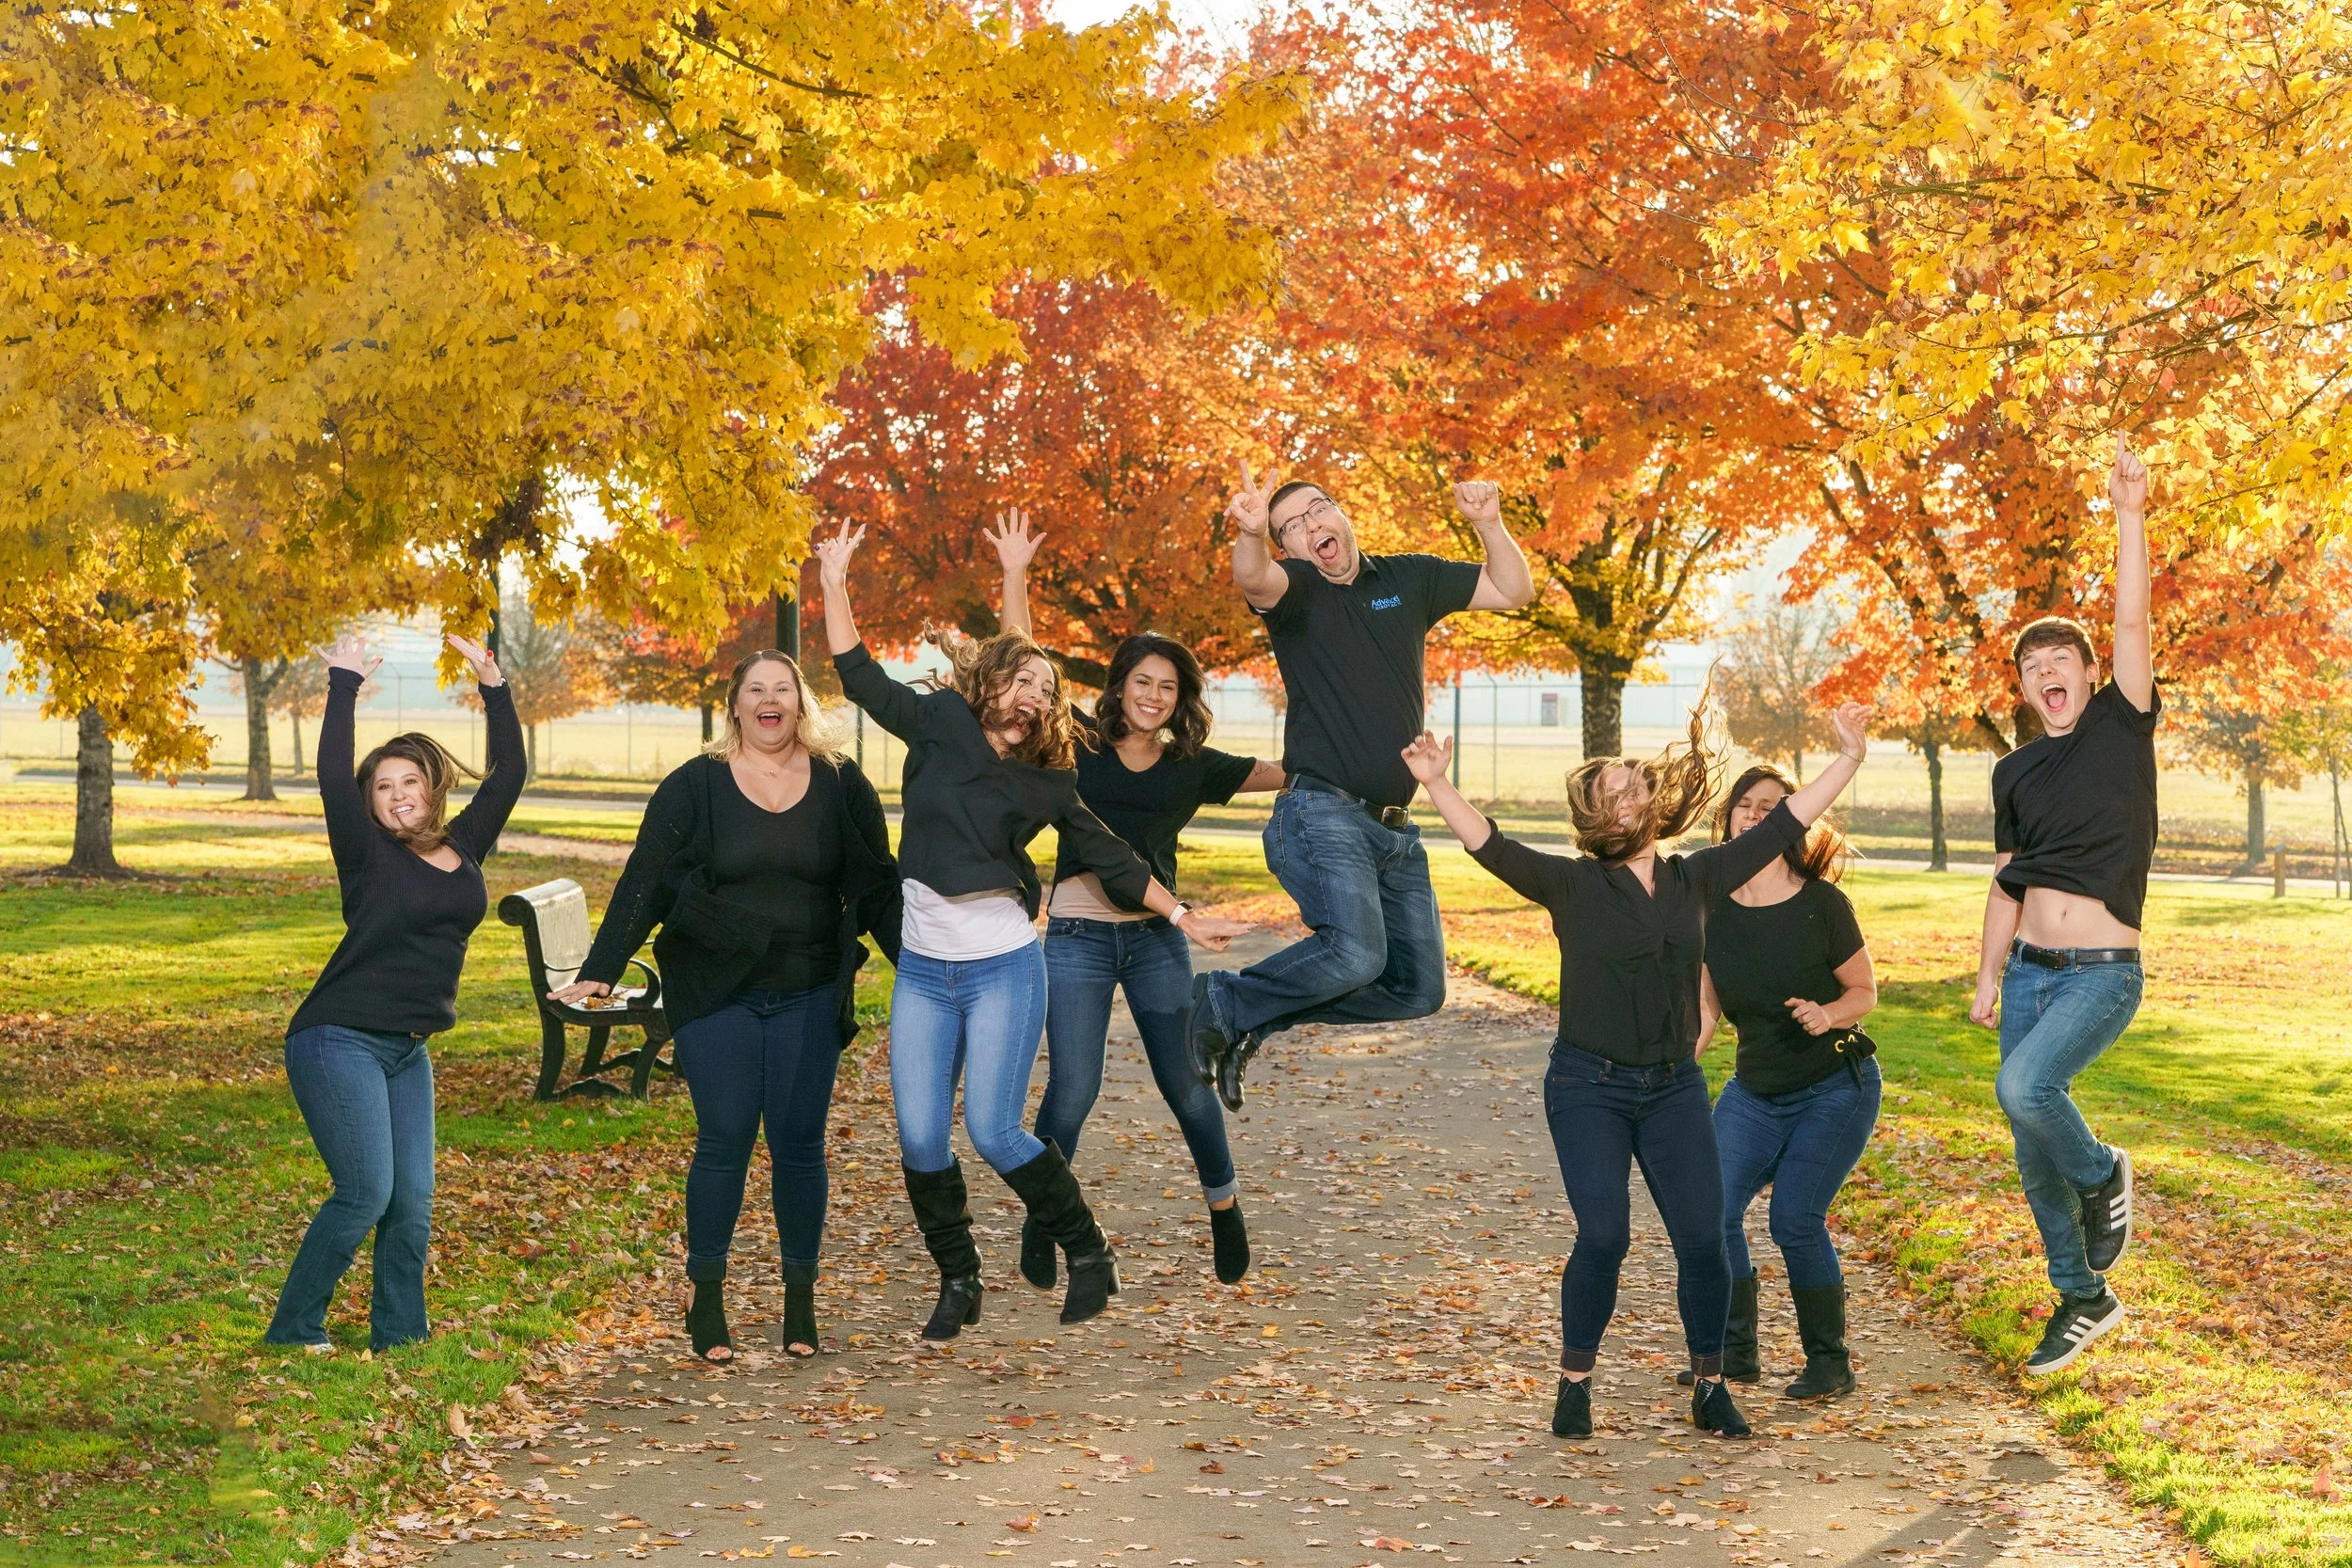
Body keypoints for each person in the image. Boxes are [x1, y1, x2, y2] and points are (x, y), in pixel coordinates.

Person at [813, 520, 1250, 1338]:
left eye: (1048, 691)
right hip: (924, 971)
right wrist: (835, 583)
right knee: (919, 1138)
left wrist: (1184, 914)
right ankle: (959, 1278)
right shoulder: (938, 720)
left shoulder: (1049, 779)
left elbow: (1111, 856)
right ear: (991, 683)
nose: (1038, 697)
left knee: (992, 1128)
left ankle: (1088, 1249)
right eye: (1025, 682)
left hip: (1002, 968)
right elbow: (859, 675)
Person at [1402, 699, 1873, 1442]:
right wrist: (1435, 782)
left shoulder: (1697, 879)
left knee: (1704, 1238)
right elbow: (1489, 843)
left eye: (1633, 787)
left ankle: (1712, 1384)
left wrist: (1848, 756)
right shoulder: (1572, 884)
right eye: (1608, 794)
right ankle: (1574, 1382)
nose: (1624, 799)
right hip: (1587, 1086)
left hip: (1671, 1087)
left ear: (1653, 802)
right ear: (1593, 817)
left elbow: (1785, 823)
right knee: (1604, 1235)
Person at [547, 650, 901, 1363]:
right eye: (755, 689)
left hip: (809, 987)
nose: (770, 700)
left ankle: (799, 1300)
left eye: (783, 689)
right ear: (736, 704)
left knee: (798, 1139)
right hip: (715, 988)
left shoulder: (841, 782)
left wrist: (921, 968)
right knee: (727, 1132)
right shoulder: (695, 785)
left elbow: (878, 886)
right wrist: (600, 971)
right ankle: (705, 1296)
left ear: (800, 703)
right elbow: (645, 880)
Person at [985, 513, 1286, 1288]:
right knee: (1072, 1091)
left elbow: (1286, 770)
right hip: (1078, 937)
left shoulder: (1193, 764)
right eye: (1142, 681)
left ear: (1180, 698)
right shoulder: (1077, 743)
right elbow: (1022, 664)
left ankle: (1225, 1207)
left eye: (1168, 686)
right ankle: (1046, 1217)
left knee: (1187, 1084)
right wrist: (1015, 573)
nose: (1154, 695)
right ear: (1120, 686)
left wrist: (1368, 755)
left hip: (1155, 938)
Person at [1188, 466, 1535, 1109]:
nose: (1311, 526)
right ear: (1289, 548)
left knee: (1419, 990)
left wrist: (1489, 524)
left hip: (1396, 832)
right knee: (1354, 955)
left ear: (1341, 513)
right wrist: (1251, 533)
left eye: (1317, 510)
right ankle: (1225, 997)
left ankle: (1250, 1016)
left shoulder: (1408, 578)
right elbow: (1253, 577)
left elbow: (1514, 590)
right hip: (1321, 811)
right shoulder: (1295, 592)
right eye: (1291, 527)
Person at [266, 631, 520, 1354]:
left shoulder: (463, 845)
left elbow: (510, 774)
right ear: (370, 802)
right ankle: (294, 1328)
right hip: (338, 1037)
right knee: (365, 1191)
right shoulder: (364, 853)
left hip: (409, 1051)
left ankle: (401, 1335)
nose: (399, 794)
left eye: (409, 781)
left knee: (412, 1200)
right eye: (383, 786)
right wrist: (343, 683)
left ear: (431, 787)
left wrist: (494, 686)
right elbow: (330, 775)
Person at [1969, 436, 2157, 1375]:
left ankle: (2103, 1171)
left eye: (2062, 658)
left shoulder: (2122, 726)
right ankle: (2082, 1296)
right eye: (2032, 664)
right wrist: (1986, 975)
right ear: (2023, 687)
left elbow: (2131, 619)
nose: (2048, 671)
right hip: (2031, 975)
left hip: (2101, 974)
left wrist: (2127, 513)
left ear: (2087, 673)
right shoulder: (2012, 771)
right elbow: (2008, 878)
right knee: (2027, 1144)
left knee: (2024, 1091)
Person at [1686, 766, 1880, 1402]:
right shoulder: (1709, 907)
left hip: (1835, 1085)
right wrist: (1674, 1069)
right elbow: (1707, 1009)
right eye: (1745, 804)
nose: (1755, 815)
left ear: (1793, 821)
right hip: (1756, 1090)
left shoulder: (1823, 904)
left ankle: (1830, 1362)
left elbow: (1864, 992)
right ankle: (1735, 1354)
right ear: (1729, 819)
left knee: (1795, 1218)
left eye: (1771, 806)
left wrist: (1828, 1014)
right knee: (1712, 1211)